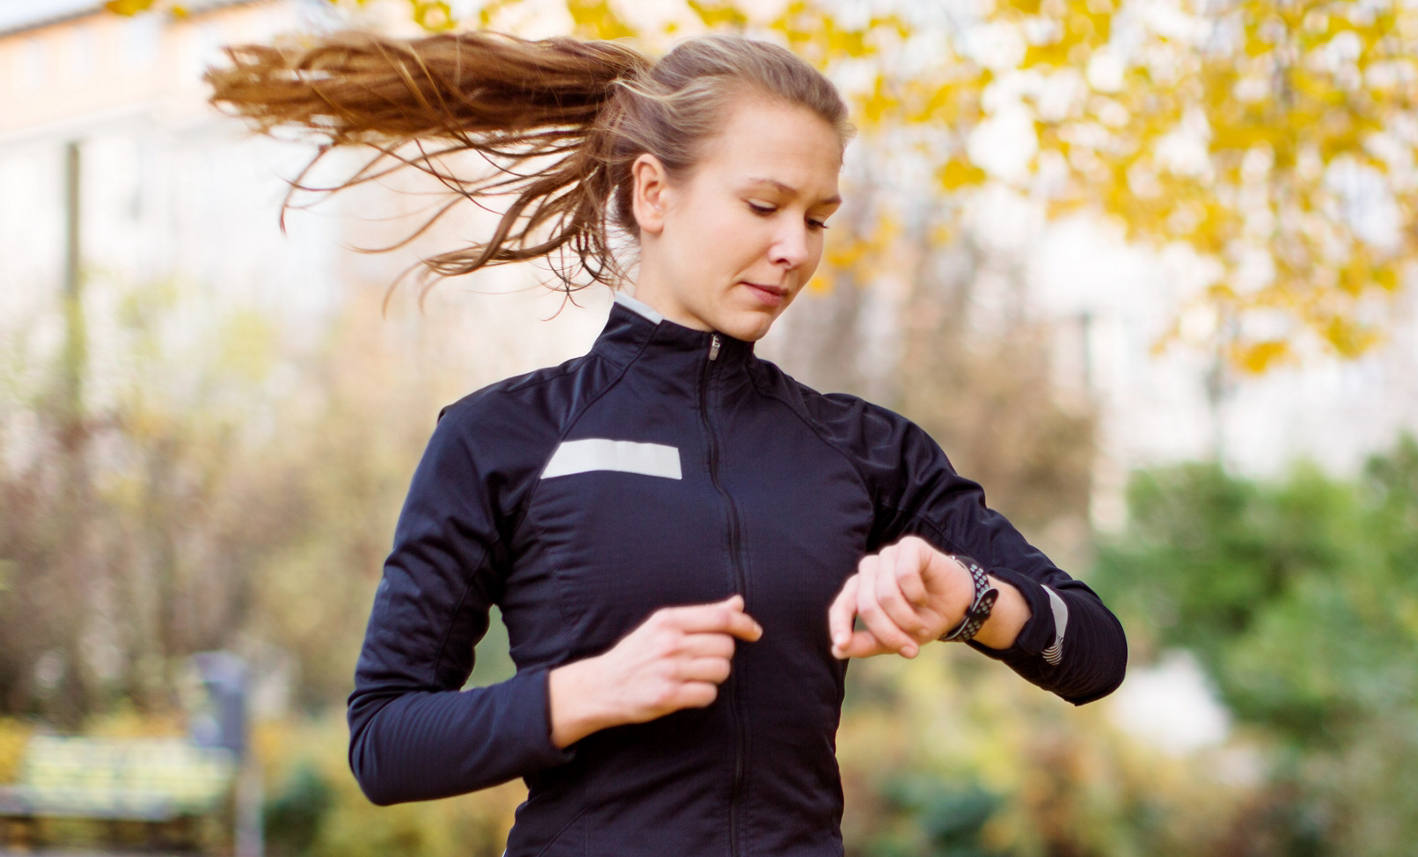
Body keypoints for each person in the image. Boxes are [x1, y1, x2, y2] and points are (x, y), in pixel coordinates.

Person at [205, 27, 1127, 857]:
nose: (795, 250)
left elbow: (1096, 652)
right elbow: (383, 742)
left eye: (816, 218)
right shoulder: (504, 435)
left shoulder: (863, 448)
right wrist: (590, 691)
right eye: (763, 205)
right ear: (653, 191)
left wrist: (970, 598)